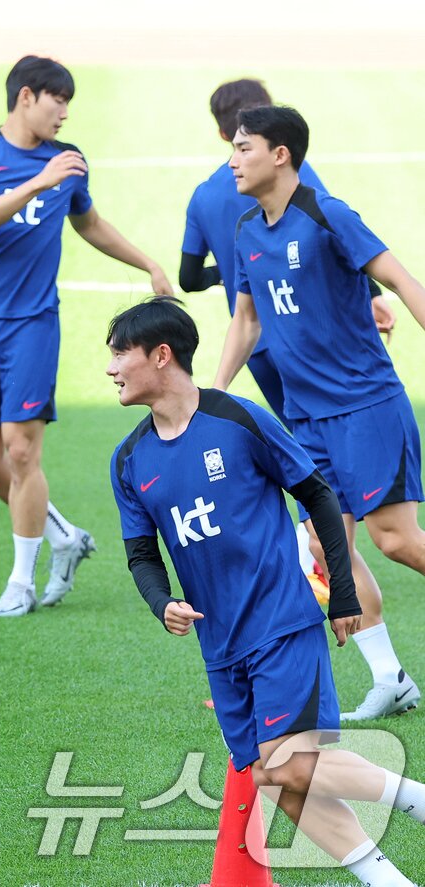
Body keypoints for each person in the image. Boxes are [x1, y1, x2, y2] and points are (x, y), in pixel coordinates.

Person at [108, 297, 424, 887]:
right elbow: (141, 553)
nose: (111, 369)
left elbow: (319, 496)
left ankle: (416, 800)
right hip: (219, 644)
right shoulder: (129, 459)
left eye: (120, 353)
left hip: (281, 619)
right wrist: (162, 602)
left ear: (161, 355)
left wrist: (346, 596)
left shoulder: (238, 420)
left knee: (290, 762)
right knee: (276, 780)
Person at [181, 82, 413, 711]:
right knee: (322, 544)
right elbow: (247, 322)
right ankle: (390, 677)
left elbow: (397, 277)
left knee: (395, 539)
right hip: (306, 417)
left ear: (280, 155)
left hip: (365, 404)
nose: (231, 159)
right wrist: (214, 394)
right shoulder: (247, 230)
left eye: (242, 147)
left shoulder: (327, 213)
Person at [0, 55, 171, 617]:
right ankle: (65, 537)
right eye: (58, 100)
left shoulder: (68, 164)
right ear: (27, 97)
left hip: (33, 323)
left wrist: (147, 264)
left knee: (21, 450)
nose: (65, 112)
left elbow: (88, 222)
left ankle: (21, 583)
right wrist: (37, 182)